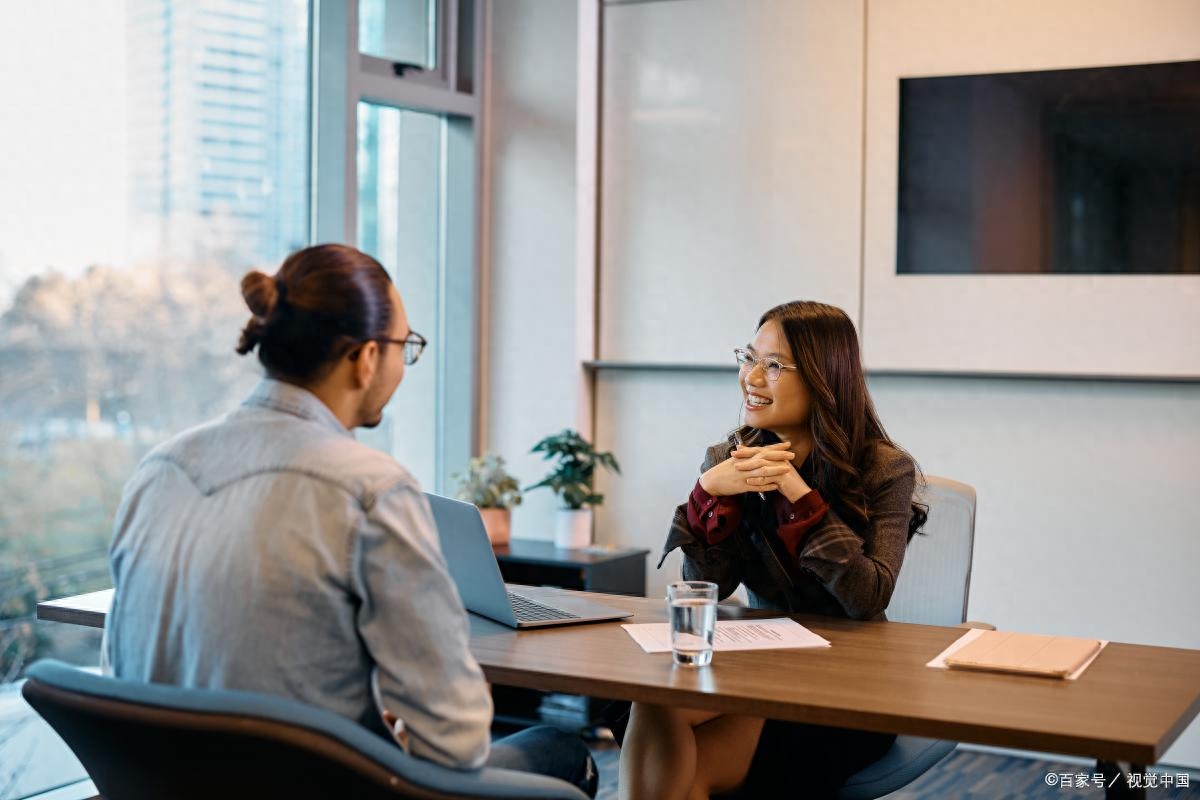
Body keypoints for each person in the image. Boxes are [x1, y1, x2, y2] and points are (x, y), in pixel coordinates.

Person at [104, 243, 597, 795]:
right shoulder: (370, 490)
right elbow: (455, 743)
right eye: (404, 346)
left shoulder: (158, 470)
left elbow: (126, 674)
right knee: (559, 751)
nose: (403, 364)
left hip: (164, 783)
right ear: (365, 358)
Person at [618, 300, 926, 800]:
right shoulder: (728, 457)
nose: (752, 378)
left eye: (775, 365)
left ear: (826, 380)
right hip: (761, 666)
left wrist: (800, 499)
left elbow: (867, 598)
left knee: (687, 769)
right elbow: (710, 588)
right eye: (748, 357)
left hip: (847, 684)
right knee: (657, 702)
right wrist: (706, 497)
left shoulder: (883, 469)